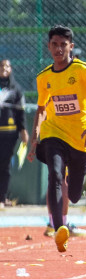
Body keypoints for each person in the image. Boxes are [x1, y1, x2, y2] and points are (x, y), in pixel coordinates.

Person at [32, 26, 86, 253]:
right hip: (53, 134)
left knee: (75, 193)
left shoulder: (83, 70)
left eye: (63, 44)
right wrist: (33, 139)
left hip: (81, 139)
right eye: (54, 44)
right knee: (55, 175)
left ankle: (65, 216)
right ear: (49, 46)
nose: (58, 49)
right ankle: (60, 228)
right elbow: (41, 109)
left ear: (71, 46)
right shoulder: (44, 77)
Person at [0, 59, 29, 205]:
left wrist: (23, 130)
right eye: (1, 66)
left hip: (9, 133)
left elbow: (20, 113)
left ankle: (2, 197)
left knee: (5, 165)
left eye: (7, 66)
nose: (4, 68)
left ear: (10, 69)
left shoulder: (16, 89)